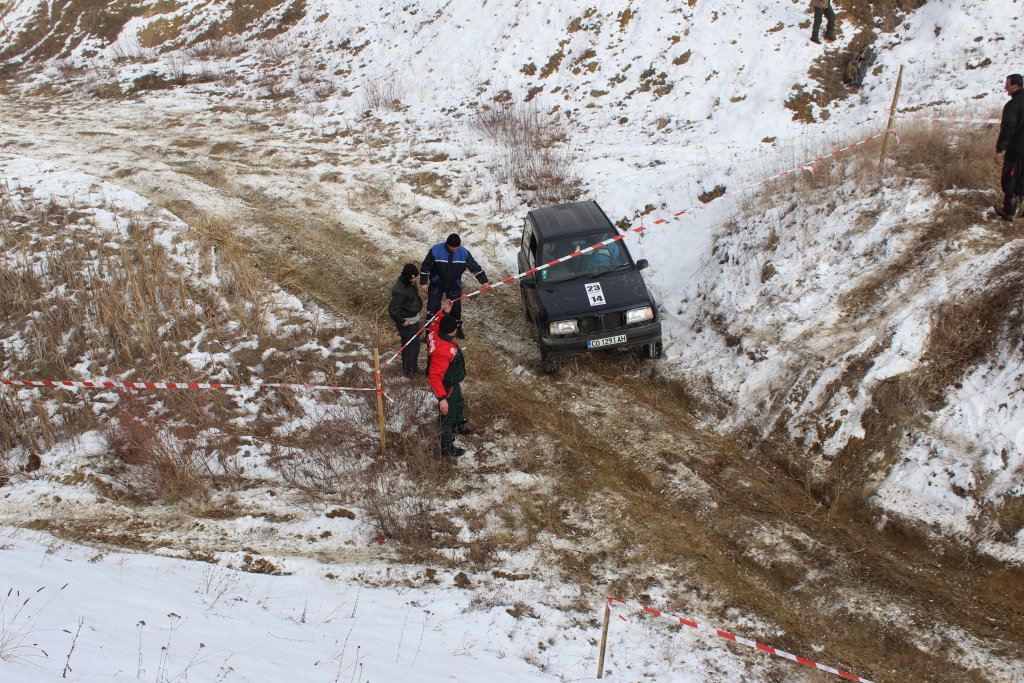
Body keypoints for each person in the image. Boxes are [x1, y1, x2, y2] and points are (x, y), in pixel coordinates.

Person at [420, 233, 488, 340]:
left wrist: (484, 281)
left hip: (454, 284)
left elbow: (475, 267)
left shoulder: (464, 253)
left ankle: (456, 330)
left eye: (457, 247)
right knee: (432, 308)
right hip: (436, 282)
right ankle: (429, 332)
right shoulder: (436, 250)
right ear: (447, 244)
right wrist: (423, 282)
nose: (455, 249)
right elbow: (426, 265)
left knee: (455, 309)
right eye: (453, 247)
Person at [426, 300, 472, 458]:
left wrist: (444, 311)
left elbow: (435, 322)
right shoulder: (444, 351)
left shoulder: (435, 331)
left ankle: (458, 424)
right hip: (445, 385)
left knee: (459, 402)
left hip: (452, 380)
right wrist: (442, 398)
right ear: (452, 332)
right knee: (447, 413)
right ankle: (446, 445)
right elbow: (433, 377)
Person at [995, 73, 1024, 221]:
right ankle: (1021, 211)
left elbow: (1008, 129)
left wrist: (1000, 150)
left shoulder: (1013, 105)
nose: (1005, 88)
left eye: (1007, 85)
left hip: (1016, 151)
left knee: (1010, 180)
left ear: (1015, 85)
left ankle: (1009, 211)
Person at [388, 263, 423, 379]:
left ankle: (414, 369)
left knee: (416, 346)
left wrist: (418, 308)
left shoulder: (410, 282)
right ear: (412, 276)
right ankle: (410, 373)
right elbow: (393, 309)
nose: (417, 279)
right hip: (407, 323)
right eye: (416, 277)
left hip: (414, 318)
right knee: (409, 348)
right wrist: (401, 321)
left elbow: (413, 298)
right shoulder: (400, 290)